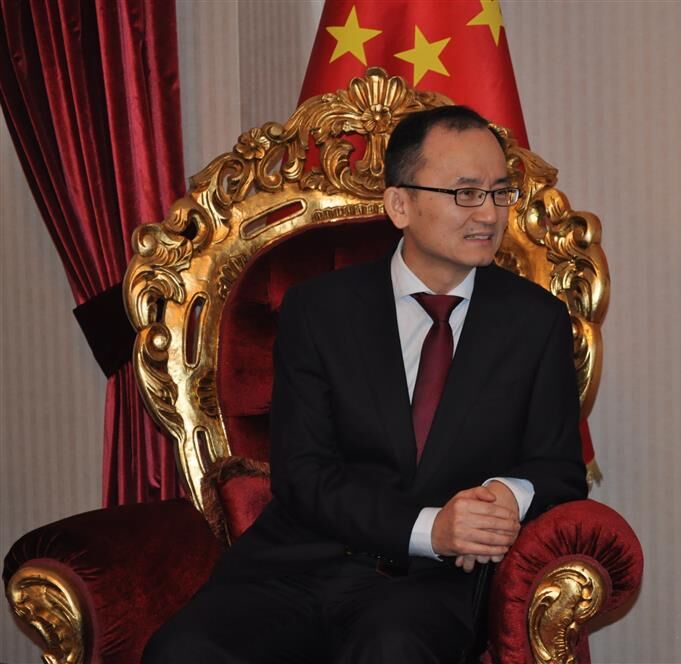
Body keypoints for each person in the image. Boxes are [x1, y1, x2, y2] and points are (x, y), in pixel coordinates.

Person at [142, 105, 587, 663]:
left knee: (391, 648)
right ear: (400, 205)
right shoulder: (319, 310)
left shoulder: (535, 320)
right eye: (466, 193)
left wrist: (505, 496)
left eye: (501, 193)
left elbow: (559, 469)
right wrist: (432, 527)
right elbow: (303, 474)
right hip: (299, 564)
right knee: (183, 650)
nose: (490, 213)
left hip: (429, 586)